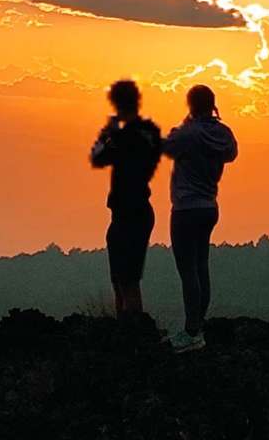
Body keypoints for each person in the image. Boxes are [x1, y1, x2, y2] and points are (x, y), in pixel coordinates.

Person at [162, 84, 238, 353]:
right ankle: (199, 327)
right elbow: (231, 154)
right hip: (209, 207)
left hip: (185, 209)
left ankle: (192, 331)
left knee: (188, 271)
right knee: (201, 267)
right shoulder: (224, 134)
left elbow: (166, 147)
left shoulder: (189, 134)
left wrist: (183, 126)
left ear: (191, 104)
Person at [90, 80, 162, 318]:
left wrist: (107, 133)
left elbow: (98, 157)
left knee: (127, 279)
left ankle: (132, 329)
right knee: (123, 277)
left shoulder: (127, 136)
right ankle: (128, 326)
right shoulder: (146, 131)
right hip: (132, 211)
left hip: (130, 212)